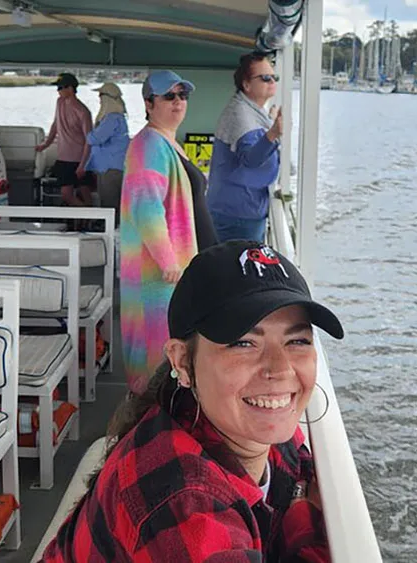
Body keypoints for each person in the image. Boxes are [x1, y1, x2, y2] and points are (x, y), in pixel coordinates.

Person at [41, 240, 335, 561]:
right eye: (243, 343)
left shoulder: (252, 420)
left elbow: (298, 471)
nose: (280, 369)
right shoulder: (183, 503)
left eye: (297, 340)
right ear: (182, 361)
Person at [117, 70, 217, 394]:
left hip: (180, 272)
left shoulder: (167, 141)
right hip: (159, 279)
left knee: (174, 356)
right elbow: (147, 205)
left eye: (182, 95)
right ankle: (150, 430)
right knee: (157, 362)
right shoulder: (147, 145)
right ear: (148, 103)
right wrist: (168, 262)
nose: (178, 102)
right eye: (169, 96)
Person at [208, 52, 285, 243]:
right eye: (265, 78)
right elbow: (250, 159)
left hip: (245, 210)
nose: (272, 81)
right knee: (239, 271)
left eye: (274, 77)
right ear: (247, 84)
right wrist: (273, 132)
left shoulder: (253, 111)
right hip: (236, 216)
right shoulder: (240, 113)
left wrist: (271, 124)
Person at [36, 72, 94, 209]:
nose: (58, 91)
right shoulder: (60, 102)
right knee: (67, 194)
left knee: (82, 192)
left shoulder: (83, 111)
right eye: (57, 88)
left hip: (79, 159)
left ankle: (90, 218)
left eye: (61, 87)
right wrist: (46, 144)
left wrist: (83, 165)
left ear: (70, 88)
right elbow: (56, 124)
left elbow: (89, 140)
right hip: (63, 158)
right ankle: (87, 217)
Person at [86, 82, 131, 217]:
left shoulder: (111, 119)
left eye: (100, 95)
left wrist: (88, 132)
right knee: (113, 204)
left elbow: (94, 139)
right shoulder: (118, 117)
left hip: (110, 169)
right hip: (113, 166)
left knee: (110, 206)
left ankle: (113, 234)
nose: (99, 99)